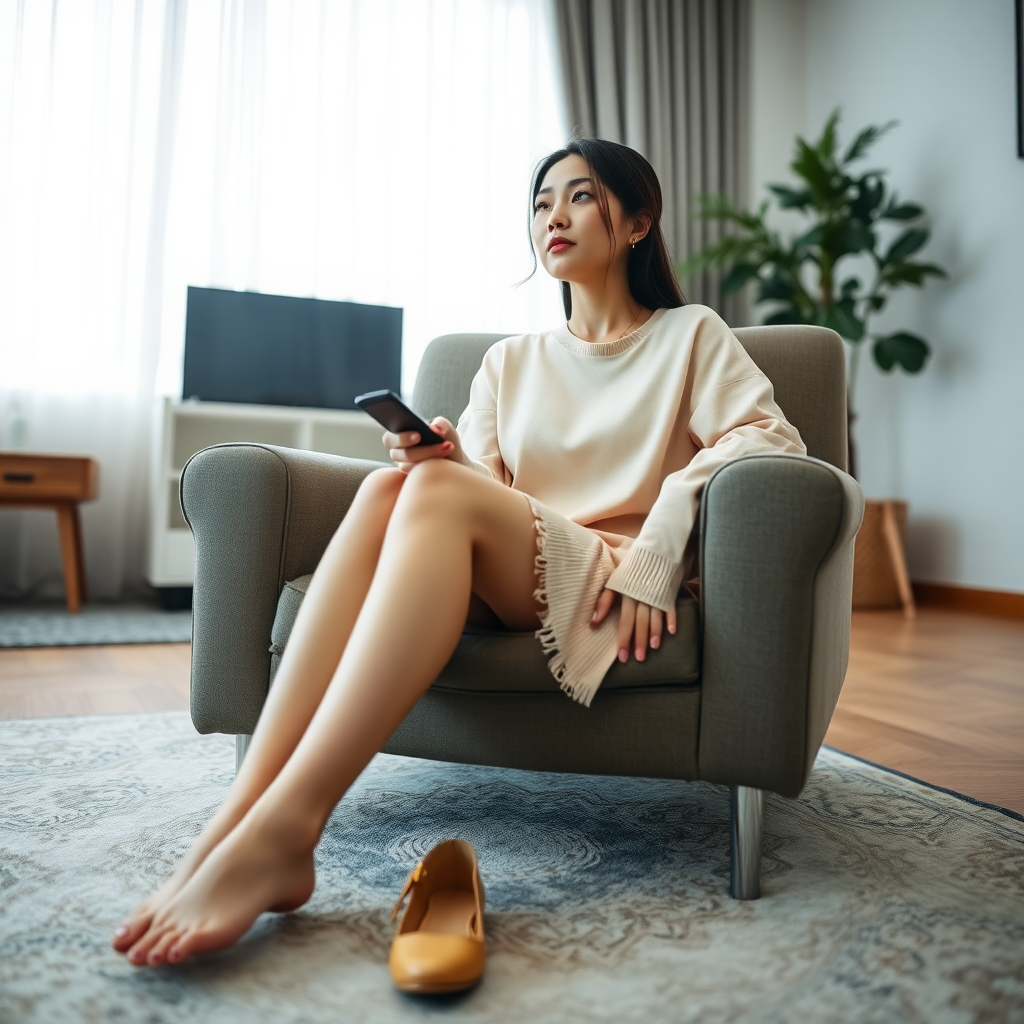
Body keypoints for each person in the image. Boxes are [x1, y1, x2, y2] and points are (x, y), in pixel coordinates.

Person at [112, 138, 805, 968]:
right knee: (388, 489)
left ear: (638, 222)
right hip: (514, 561)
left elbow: (772, 439)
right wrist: (454, 467)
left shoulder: (691, 334)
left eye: (579, 197)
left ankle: (287, 829)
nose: (553, 215)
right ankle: (233, 827)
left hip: (605, 577)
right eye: (541, 202)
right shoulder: (507, 362)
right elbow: (491, 494)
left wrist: (662, 531)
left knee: (423, 493)